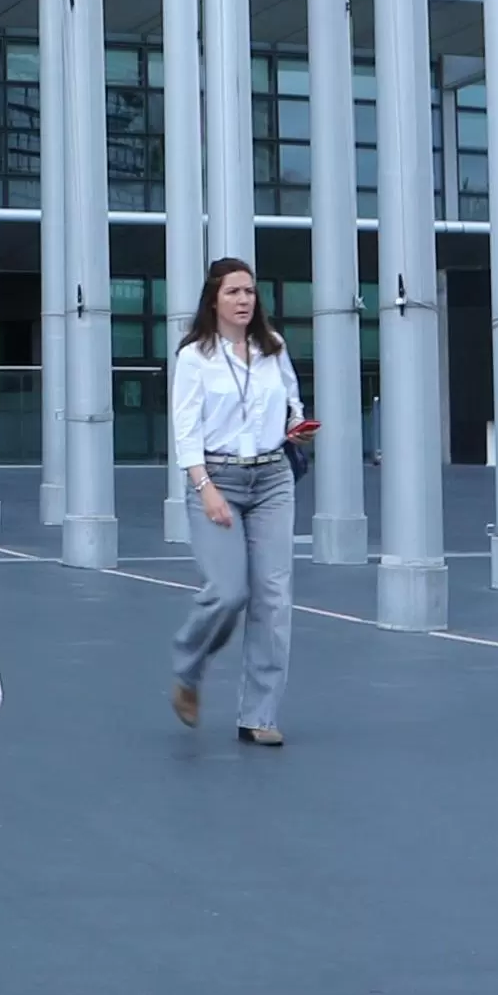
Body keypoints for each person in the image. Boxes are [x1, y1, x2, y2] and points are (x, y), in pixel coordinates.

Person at [168, 254, 305, 748]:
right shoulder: (194, 357)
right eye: (234, 292)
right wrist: (205, 489)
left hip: (271, 478)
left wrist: (296, 426)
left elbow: (291, 399)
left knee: (273, 597)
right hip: (217, 477)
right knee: (228, 592)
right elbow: (185, 429)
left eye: (249, 291)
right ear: (214, 299)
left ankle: (259, 716)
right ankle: (189, 666)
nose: (244, 300)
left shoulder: (273, 347)